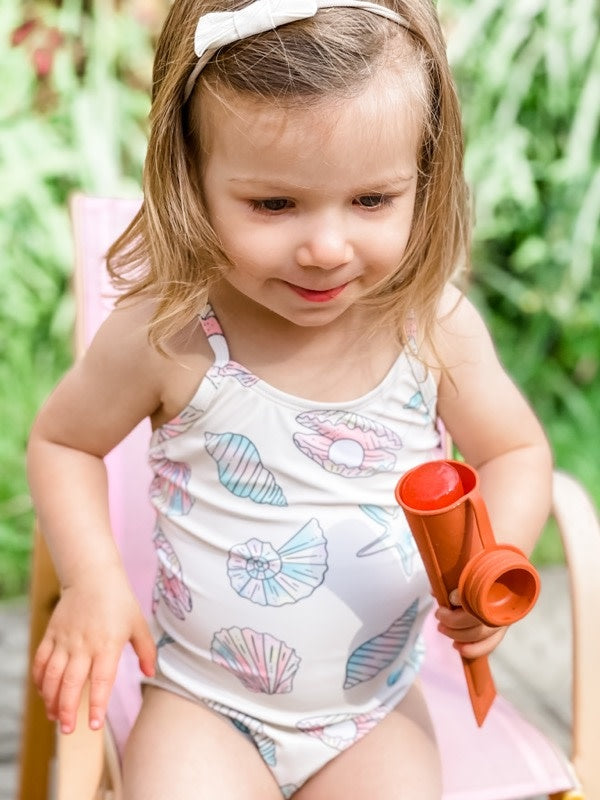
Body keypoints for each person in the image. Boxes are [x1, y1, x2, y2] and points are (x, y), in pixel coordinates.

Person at [27, 1, 553, 798]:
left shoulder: (431, 328)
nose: (326, 248)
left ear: (425, 175)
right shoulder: (169, 333)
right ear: (191, 178)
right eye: (274, 205)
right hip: (203, 705)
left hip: (372, 717)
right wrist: (94, 581)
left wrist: (492, 561)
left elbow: (516, 450)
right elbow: (64, 443)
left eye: (372, 201)